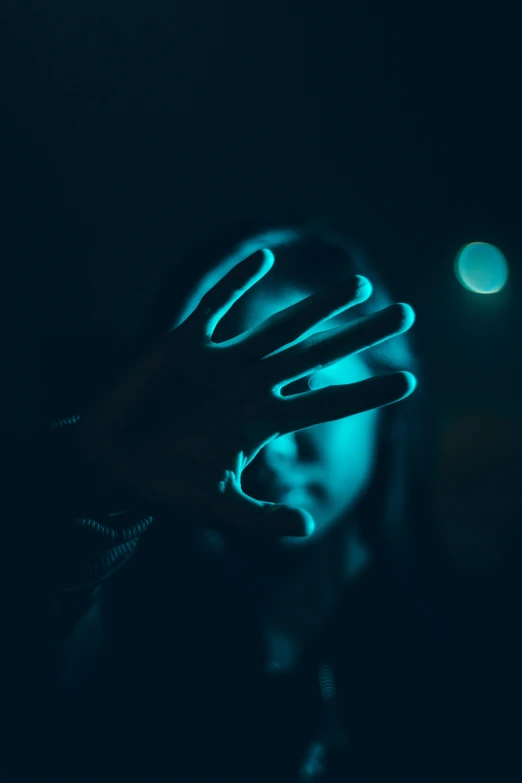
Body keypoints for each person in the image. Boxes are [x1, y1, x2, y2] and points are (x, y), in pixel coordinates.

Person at [3, 219, 444, 783]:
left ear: (386, 393)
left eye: (301, 384)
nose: (268, 444)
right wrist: (82, 522)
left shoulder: (460, 644)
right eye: (220, 398)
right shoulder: (134, 619)